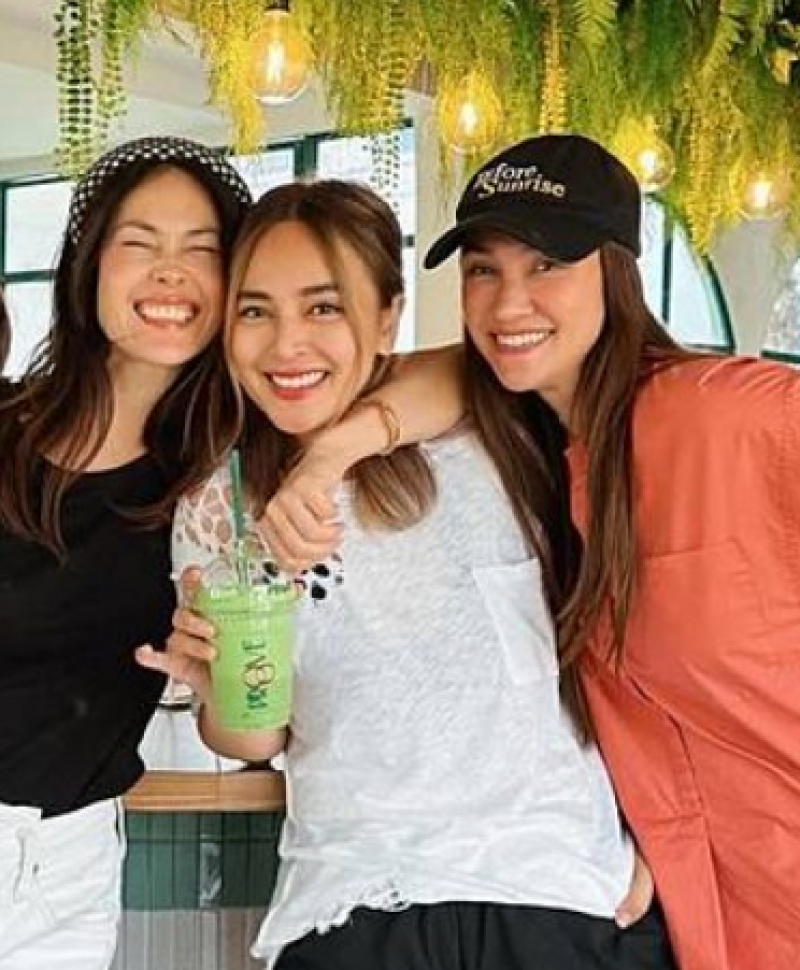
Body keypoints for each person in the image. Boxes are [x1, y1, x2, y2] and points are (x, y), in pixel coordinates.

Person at [264, 135, 800, 970]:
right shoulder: (545, 453)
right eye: (483, 269)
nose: (509, 302)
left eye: (547, 264)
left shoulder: (726, 415)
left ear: (616, 270)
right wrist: (334, 454)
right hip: (718, 912)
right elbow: (423, 373)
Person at [140, 178, 676, 970]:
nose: (287, 345)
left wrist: (331, 456)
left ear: (389, 316)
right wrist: (214, 685)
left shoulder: (492, 426)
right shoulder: (218, 506)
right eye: (255, 312)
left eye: (324, 308)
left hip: (555, 887)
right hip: (355, 897)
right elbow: (255, 736)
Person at [0, 135, 252, 970]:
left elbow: (244, 734)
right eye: (140, 244)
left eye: (202, 251)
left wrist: (217, 682)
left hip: (64, 869)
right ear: (89, 266)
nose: (170, 274)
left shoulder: (218, 488)